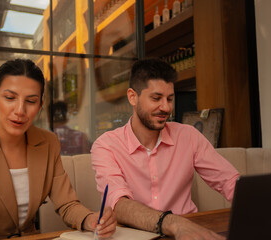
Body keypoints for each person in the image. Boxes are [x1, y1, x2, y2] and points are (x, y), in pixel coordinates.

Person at [0, 59, 116, 240]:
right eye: (10, 98)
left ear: (40, 106)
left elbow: (67, 204)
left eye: (31, 101)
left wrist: (90, 219)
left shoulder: (48, 142)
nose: (20, 110)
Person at [91, 58, 239, 239]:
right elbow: (119, 204)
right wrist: (175, 224)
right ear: (132, 97)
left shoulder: (188, 136)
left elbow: (228, 181)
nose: (166, 107)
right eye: (156, 98)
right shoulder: (106, 146)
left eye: (170, 99)